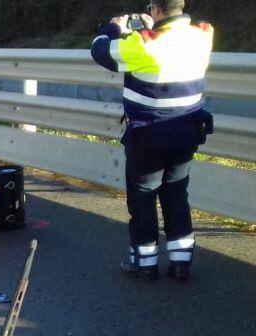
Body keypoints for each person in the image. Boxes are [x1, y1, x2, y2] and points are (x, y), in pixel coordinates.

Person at [91, 0, 214, 281]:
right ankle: (180, 263)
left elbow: (101, 51)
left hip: (148, 136)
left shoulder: (143, 43)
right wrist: (152, 27)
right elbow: (172, 43)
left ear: (155, 9)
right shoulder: (204, 34)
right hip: (187, 133)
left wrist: (114, 27)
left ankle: (144, 265)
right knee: (176, 194)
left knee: (144, 196)